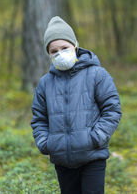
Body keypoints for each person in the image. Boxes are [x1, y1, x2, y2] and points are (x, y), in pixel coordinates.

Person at [30, 16, 122, 194]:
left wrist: (96, 138)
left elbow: (112, 110)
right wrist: (46, 143)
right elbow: (39, 119)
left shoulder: (97, 75)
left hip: (92, 157)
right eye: (54, 51)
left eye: (64, 48)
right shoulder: (45, 83)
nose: (60, 53)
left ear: (75, 47)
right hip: (62, 160)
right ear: (48, 54)